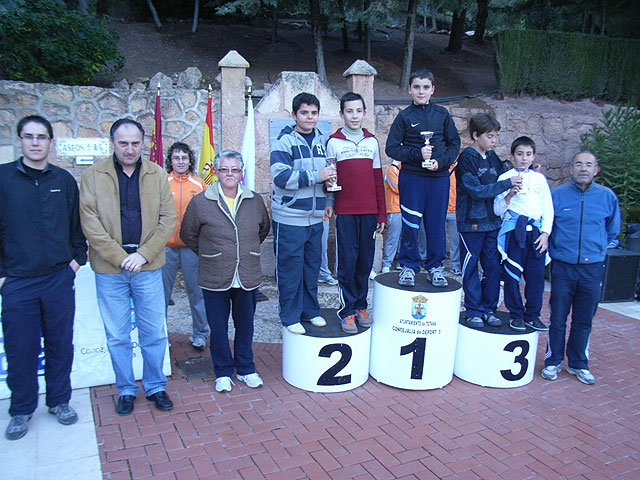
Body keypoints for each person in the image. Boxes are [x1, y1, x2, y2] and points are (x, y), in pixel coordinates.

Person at [79, 118, 176, 416]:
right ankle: (126, 389)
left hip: (148, 266)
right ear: (112, 143)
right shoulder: (93, 175)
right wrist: (120, 257)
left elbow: (168, 219)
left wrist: (143, 255)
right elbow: (90, 222)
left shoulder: (157, 174)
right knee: (118, 335)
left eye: (135, 143)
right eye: (123, 143)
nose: (130, 149)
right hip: (111, 269)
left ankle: (156, 386)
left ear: (143, 143)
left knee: (154, 333)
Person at [0, 115, 87, 440]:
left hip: (57, 279)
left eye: (41, 137)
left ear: (51, 142)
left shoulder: (63, 180)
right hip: (17, 281)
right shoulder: (4, 179)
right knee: (20, 348)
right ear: (19, 140)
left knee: (60, 344)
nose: (35, 142)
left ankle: (59, 401)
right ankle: (21, 409)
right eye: (29, 136)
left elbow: (76, 226)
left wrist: (76, 261)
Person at [181, 150, 270, 392]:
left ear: (241, 173)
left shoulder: (254, 200)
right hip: (214, 274)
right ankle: (222, 371)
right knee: (218, 327)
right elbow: (188, 234)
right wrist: (212, 253)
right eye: (224, 169)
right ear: (216, 172)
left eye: (234, 170)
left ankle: (245, 368)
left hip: (247, 273)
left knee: (245, 325)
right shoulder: (201, 202)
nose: (229, 174)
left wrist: (244, 250)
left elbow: (263, 229)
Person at [542, 151, 620, 385]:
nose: (583, 168)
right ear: (571, 169)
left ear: (596, 170)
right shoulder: (557, 195)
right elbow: (548, 226)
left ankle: (578, 363)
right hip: (563, 267)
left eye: (588, 165)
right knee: (558, 318)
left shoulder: (607, 197)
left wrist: (596, 249)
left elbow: (612, 230)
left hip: (592, 269)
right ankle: (553, 361)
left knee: (584, 319)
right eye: (578, 164)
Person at [385, 69, 461, 288]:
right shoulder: (404, 116)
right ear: (410, 89)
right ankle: (408, 266)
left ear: (432, 90)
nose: (421, 91)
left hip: (439, 179)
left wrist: (441, 162)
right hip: (412, 178)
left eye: (426, 87)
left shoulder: (442, 114)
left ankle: (435, 267)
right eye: (416, 87)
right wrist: (417, 154)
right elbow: (392, 148)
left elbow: (454, 144)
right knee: (410, 223)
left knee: (436, 224)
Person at [270, 92, 336, 335]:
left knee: (311, 267)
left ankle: (310, 310)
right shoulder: (283, 142)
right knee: (290, 269)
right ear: (294, 115)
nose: (310, 117)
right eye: (304, 113)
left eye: (314, 113)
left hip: (316, 217)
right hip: (289, 217)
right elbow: (281, 177)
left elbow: (330, 175)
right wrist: (317, 176)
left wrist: (329, 199)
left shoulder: (322, 142)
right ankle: (290, 315)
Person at [325, 92, 386, 333]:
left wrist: (381, 214)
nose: (354, 116)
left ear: (364, 113)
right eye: (349, 111)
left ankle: (361, 306)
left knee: (364, 262)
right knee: (347, 263)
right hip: (346, 212)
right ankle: (347, 310)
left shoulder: (372, 142)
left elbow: (378, 180)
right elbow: (330, 179)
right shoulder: (333, 142)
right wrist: (330, 197)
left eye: (358, 111)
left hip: (369, 212)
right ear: (341, 114)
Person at [456, 113, 520, 329]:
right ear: (476, 135)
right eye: (489, 136)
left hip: (493, 222)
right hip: (471, 224)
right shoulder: (467, 158)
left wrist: (527, 172)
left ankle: (489, 309)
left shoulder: (493, 158)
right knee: (471, 268)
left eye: (496, 136)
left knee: (492, 267)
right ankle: (473, 310)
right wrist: (506, 185)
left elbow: (505, 175)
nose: (494, 140)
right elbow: (476, 190)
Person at [494, 137, 554, 331]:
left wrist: (545, 233)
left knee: (536, 276)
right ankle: (516, 314)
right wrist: (510, 193)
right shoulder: (505, 178)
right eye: (520, 154)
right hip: (514, 230)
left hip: (536, 232)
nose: (524, 158)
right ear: (512, 156)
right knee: (512, 274)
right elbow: (497, 209)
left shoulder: (539, 179)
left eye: (528, 154)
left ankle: (533, 315)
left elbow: (548, 208)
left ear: (534, 156)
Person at [162, 142, 209, 350]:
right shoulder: (162, 183)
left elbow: (207, 214)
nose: (180, 161)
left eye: (184, 158)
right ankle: (160, 335)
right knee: (161, 295)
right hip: (166, 247)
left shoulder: (199, 185)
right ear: (170, 161)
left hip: (192, 247)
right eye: (176, 158)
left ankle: (200, 333)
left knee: (196, 293)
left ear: (190, 160)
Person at [381, 160, 402, 273]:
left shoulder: (402, 169)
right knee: (393, 237)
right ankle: (386, 263)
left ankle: (400, 261)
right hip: (394, 208)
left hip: (404, 208)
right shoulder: (391, 169)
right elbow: (397, 188)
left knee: (403, 237)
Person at [446, 163, 461, 276]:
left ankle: (454, 265)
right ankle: (437, 265)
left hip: (455, 210)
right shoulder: (442, 167)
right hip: (441, 209)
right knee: (438, 239)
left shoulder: (460, 169)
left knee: (455, 241)